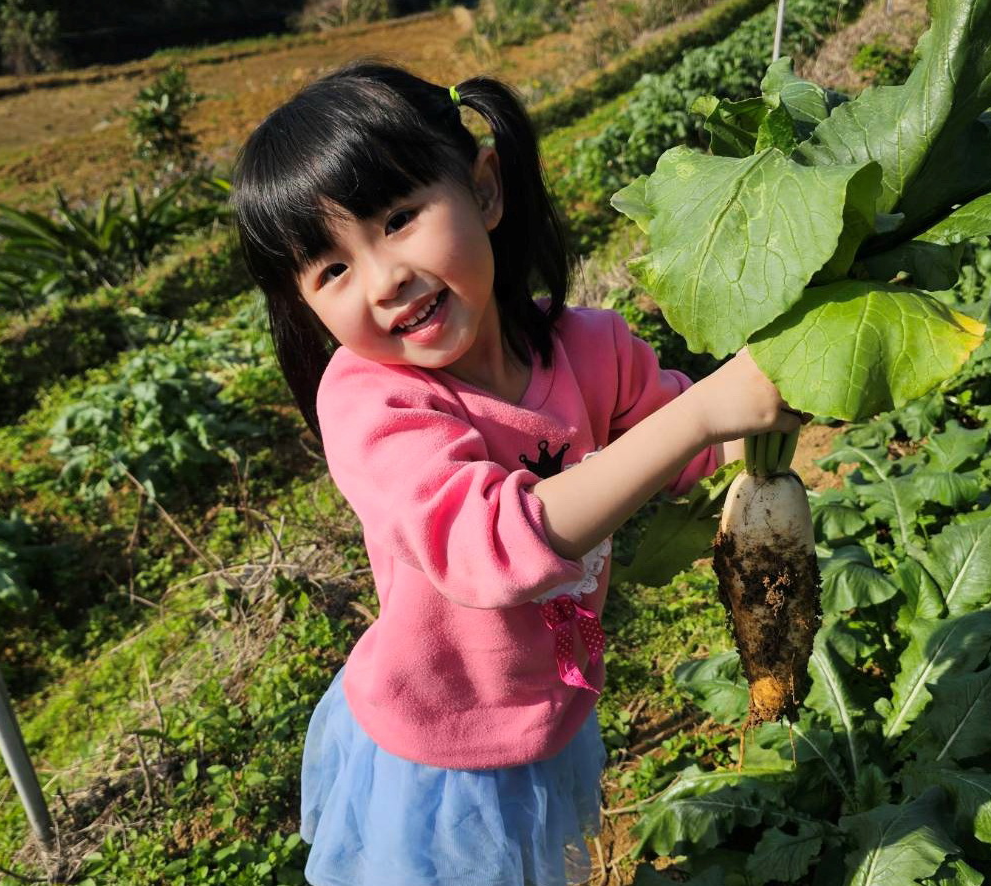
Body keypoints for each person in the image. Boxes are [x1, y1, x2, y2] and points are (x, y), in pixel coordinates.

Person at [231, 60, 802, 886]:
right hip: (439, 754)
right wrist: (703, 413)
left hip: (553, 708)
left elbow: (694, 449)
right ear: (305, 305)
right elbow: (489, 547)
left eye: (399, 219)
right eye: (333, 269)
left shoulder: (592, 347)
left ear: (485, 190)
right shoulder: (369, 403)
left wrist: (782, 391)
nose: (385, 279)